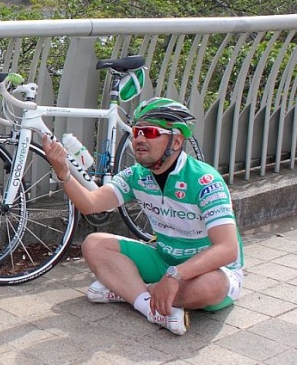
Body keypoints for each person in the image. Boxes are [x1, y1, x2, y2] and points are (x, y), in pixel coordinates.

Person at [42, 97, 243, 335]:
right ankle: (150, 307)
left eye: (149, 132)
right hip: (164, 258)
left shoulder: (204, 180)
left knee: (211, 287)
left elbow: (227, 249)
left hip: (211, 271)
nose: (139, 138)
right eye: (137, 131)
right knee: (94, 244)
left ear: (176, 141)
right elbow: (91, 204)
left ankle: (132, 291)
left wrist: (175, 276)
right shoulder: (136, 175)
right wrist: (63, 172)